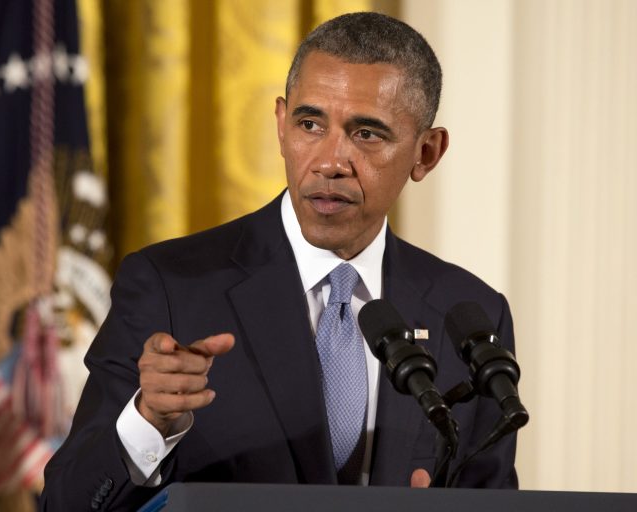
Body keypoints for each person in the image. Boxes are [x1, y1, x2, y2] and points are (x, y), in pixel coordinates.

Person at [40, 12, 518, 511]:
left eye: (367, 134)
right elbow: (64, 503)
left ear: (426, 153)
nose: (330, 161)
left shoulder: (468, 313)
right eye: (310, 124)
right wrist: (148, 423)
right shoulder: (171, 287)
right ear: (280, 125)